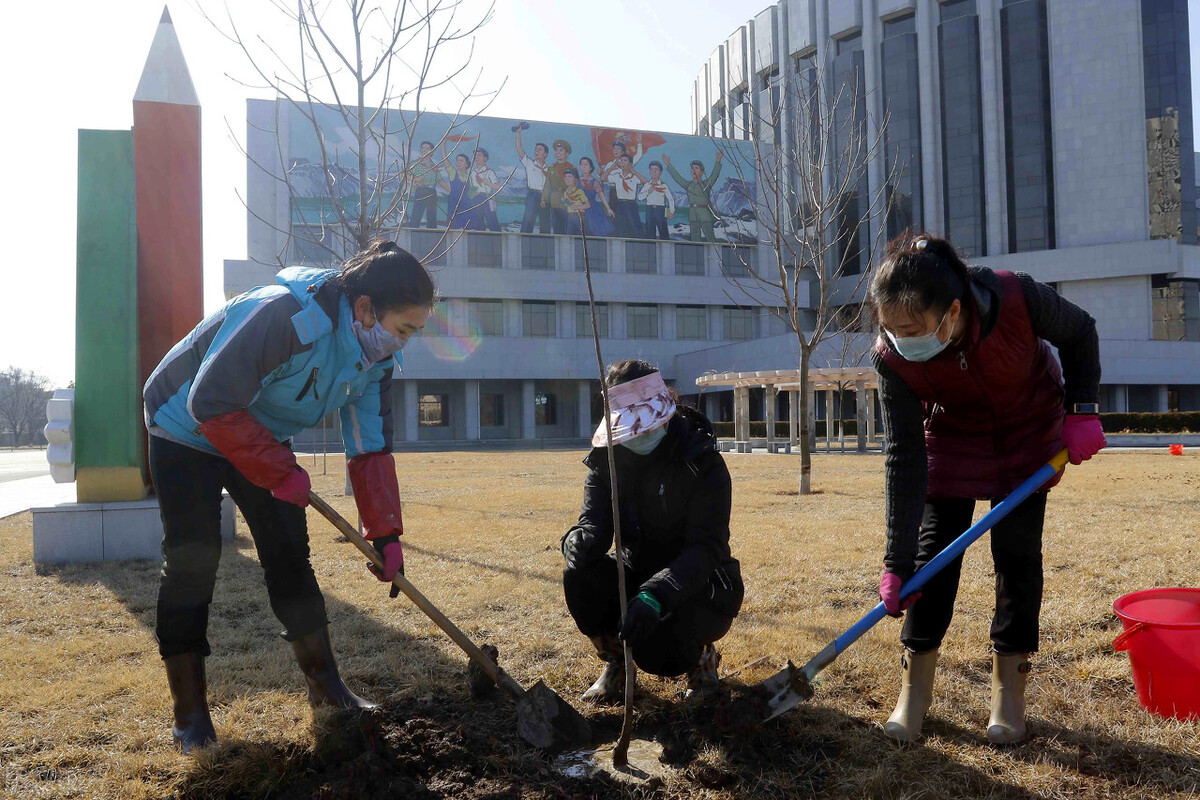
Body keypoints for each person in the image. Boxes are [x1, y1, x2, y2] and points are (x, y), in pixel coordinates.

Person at [143, 240, 435, 753]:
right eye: (402, 329)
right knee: (193, 560)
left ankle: (327, 687)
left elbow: (369, 447)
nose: (403, 343)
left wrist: (384, 531)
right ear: (365, 308)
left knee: (289, 556)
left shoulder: (375, 360)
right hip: (185, 423)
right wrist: (278, 470)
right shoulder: (283, 316)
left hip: (257, 428)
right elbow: (210, 399)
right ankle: (189, 714)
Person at [869, 232, 1106, 745]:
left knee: (1017, 556)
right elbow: (904, 457)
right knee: (932, 560)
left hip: (1028, 431)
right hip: (953, 438)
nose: (898, 339)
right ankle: (914, 690)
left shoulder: (1015, 297)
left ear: (952, 312)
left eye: (910, 328)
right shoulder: (892, 360)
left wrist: (1081, 410)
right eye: (888, 329)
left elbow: (1081, 331)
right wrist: (896, 561)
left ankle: (1009, 693)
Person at [561, 361, 744, 703]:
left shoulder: (701, 461)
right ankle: (617, 662)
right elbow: (596, 524)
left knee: (661, 655)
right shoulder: (608, 460)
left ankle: (701, 658)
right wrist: (577, 540)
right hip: (635, 566)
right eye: (632, 427)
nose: (642, 433)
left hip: (698, 583)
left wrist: (655, 595)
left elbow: (706, 548)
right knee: (580, 576)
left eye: (648, 423)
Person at [663, 152, 723, 242]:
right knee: (695, 239)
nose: (693, 170)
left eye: (696, 168)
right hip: (693, 214)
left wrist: (718, 161)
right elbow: (678, 178)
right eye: (692, 168)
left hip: (704, 214)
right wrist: (668, 165)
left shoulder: (706, 184)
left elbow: (714, 176)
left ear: (702, 172)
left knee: (710, 238)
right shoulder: (688, 185)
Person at [515, 124, 551, 233]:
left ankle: (546, 245)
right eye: (536, 149)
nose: (536, 151)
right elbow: (519, 150)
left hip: (545, 196)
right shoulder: (530, 164)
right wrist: (518, 133)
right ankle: (524, 242)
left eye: (540, 150)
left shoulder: (549, 169)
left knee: (545, 223)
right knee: (528, 222)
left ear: (545, 154)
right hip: (533, 195)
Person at [601, 154, 647, 239]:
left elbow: (646, 182)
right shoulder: (617, 176)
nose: (622, 162)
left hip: (631, 205)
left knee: (635, 226)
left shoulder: (634, 177)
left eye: (625, 160)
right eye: (621, 160)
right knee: (621, 227)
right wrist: (612, 168)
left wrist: (634, 172)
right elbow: (603, 178)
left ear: (630, 164)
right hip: (620, 204)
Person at [404, 140, 442, 229]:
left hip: (432, 191)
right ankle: (413, 230)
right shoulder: (416, 163)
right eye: (423, 148)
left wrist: (452, 191)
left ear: (432, 151)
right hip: (421, 190)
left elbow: (440, 181)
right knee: (417, 212)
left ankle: (432, 232)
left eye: (427, 148)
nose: (424, 150)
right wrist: (416, 179)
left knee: (432, 214)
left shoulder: (434, 166)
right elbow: (405, 176)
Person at [541, 139, 575, 234]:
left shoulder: (572, 168)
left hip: (568, 201)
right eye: (556, 150)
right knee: (557, 228)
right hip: (555, 201)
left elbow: (575, 186)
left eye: (561, 150)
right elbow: (547, 185)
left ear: (567, 153)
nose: (558, 153)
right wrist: (544, 199)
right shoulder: (551, 168)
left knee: (568, 228)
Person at [638, 160, 676, 240]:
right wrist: (648, 191)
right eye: (652, 169)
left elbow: (670, 199)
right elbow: (640, 197)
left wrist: (671, 212)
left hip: (660, 210)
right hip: (649, 210)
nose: (654, 171)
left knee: (663, 231)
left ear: (661, 172)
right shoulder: (647, 185)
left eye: (656, 169)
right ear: (649, 171)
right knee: (649, 232)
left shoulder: (664, 185)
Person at [577, 156, 615, 237]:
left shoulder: (594, 182)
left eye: (586, 164)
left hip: (592, 209)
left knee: (594, 231)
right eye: (581, 164)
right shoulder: (576, 181)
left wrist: (608, 209)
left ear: (590, 168)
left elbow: (601, 196)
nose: (583, 166)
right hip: (579, 208)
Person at [441, 152, 477, 230]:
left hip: (466, 203)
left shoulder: (469, 177)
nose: (458, 162)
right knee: (454, 226)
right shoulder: (453, 173)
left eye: (461, 160)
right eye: (457, 161)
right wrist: (443, 144)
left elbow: (470, 193)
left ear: (466, 164)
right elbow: (445, 160)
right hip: (454, 203)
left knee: (468, 226)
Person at [469, 148, 501, 232]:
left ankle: (497, 241)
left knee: (492, 221)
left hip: (487, 197)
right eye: (475, 155)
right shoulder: (473, 173)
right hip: (477, 198)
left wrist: (489, 183)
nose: (476, 157)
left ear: (485, 158)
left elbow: (498, 186)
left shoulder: (489, 172)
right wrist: (472, 194)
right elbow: (471, 187)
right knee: (478, 223)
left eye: (479, 155)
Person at [562, 167, 591, 235]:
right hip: (569, 216)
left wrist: (577, 207)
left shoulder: (579, 191)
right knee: (569, 235)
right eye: (565, 177)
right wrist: (565, 203)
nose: (567, 179)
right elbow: (568, 205)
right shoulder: (565, 192)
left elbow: (588, 205)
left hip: (579, 216)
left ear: (575, 179)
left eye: (570, 176)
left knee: (583, 234)